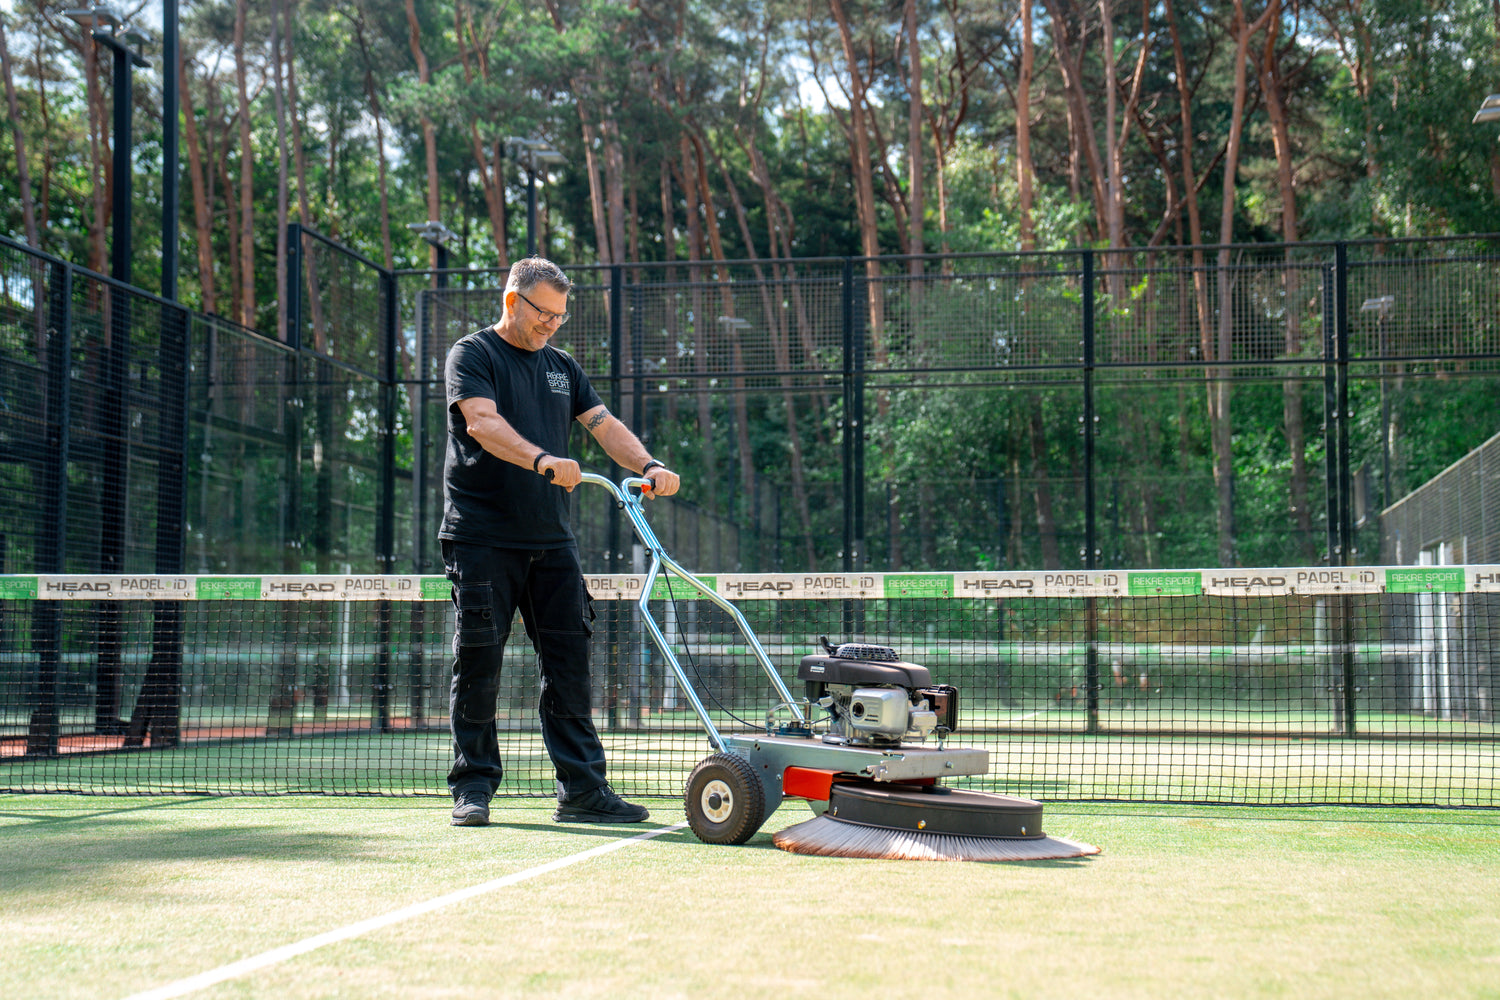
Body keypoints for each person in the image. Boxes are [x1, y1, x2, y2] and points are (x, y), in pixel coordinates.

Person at [441, 256, 680, 827]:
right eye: (543, 312)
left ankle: (583, 791)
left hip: (552, 541)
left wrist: (648, 463)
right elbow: (481, 423)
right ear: (512, 300)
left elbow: (603, 425)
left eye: (559, 316)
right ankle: (472, 788)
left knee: (569, 665)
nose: (551, 324)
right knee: (479, 663)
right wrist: (543, 458)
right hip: (481, 539)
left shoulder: (562, 367)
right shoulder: (472, 355)